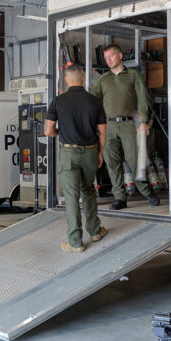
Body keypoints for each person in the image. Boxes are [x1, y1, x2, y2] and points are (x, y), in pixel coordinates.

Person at [45, 65, 108, 253]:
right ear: (83, 80)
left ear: (66, 80)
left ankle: (75, 242)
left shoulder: (58, 101)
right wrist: (100, 152)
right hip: (90, 152)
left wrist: (59, 131)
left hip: (69, 154)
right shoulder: (95, 101)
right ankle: (95, 231)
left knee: (72, 196)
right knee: (88, 190)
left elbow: (48, 131)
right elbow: (103, 132)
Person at [90, 43, 158, 209]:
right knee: (111, 161)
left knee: (135, 160)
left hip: (129, 124)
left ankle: (145, 190)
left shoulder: (133, 75)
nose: (108, 60)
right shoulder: (103, 79)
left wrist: (142, 122)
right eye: (106, 58)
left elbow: (143, 98)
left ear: (120, 56)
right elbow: (92, 99)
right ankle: (119, 197)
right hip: (109, 126)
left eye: (111, 56)